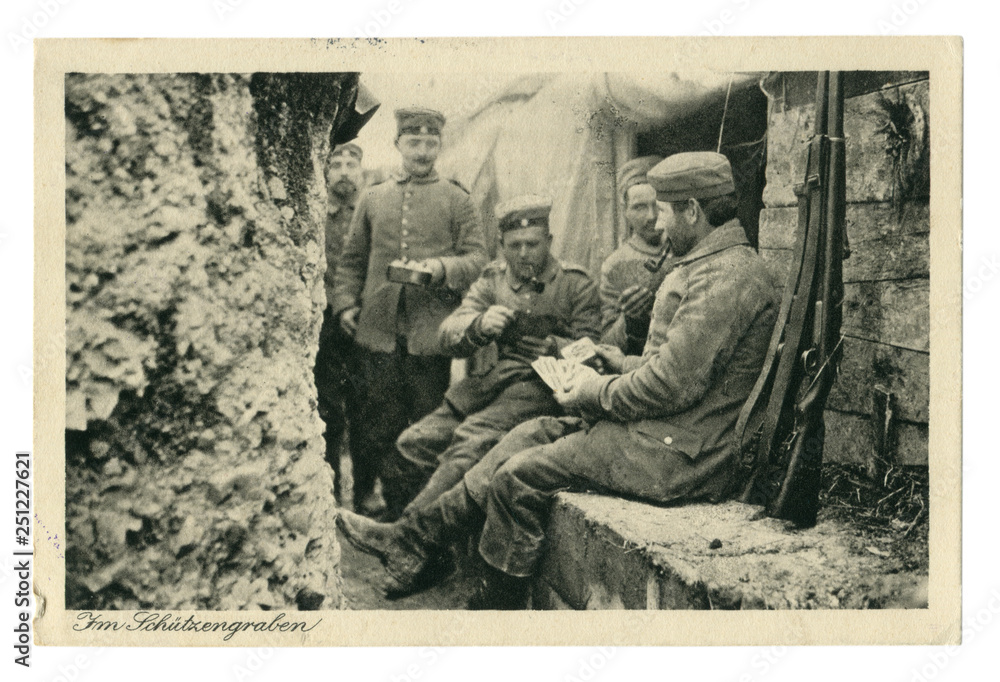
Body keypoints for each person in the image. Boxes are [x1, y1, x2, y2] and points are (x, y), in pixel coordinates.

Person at [336, 152, 779, 609]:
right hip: (666, 434)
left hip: (681, 454)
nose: (657, 226)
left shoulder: (723, 276)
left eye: (664, 211)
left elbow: (668, 386)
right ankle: (412, 540)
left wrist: (592, 390)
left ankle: (495, 609)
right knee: (527, 434)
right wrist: (620, 362)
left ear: (692, 210)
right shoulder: (713, 267)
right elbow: (676, 373)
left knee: (517, 476)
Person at [369, 195, 600, 540]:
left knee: (469, 441)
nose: (523, 254)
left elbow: (595, 351)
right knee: (414, 443)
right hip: (487, 385)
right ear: (501, 245)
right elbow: (449, 332)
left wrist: (556, 347)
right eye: (514, 245)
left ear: (549, 242)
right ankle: (435, 548)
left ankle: (406, 536)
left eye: (532, 244)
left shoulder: (575, 284)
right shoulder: (492, 281)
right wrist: (479, 324)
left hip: (539, 391)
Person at [331, 108, 488, 518]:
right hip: (377, 331)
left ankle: (411, 508)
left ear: (439, 146)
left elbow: (477, 260)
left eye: (430, 143)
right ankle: (366, 498)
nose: (422, 151)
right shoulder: (374, 196)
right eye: (414, 142)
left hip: (428, 336)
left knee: (421, 424)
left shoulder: (457, 199)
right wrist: (346, 303)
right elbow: (351, 261)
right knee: (372, 421)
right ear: (398, 144)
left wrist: (441, 269)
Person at [314, 142, 373, 509]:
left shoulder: (367, 213)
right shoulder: (316, 213)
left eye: (352, 163)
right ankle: (329, 491)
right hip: (323, 329)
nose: (344, 171)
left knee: (365, 409)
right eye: (336, 164)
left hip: (359, 323)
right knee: (328, 411)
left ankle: (365, 492)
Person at [599, 155, 670, 355]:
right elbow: (607, 344)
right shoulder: (614, 265)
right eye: (639, 207)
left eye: (657, 205)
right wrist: (629, 319)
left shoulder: (684, 249)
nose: (651, 216)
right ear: (625, 211)